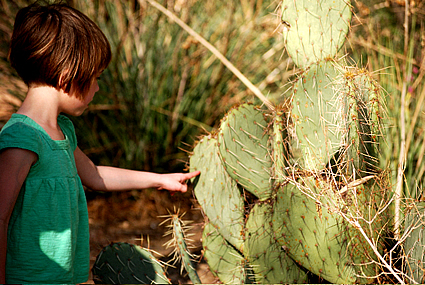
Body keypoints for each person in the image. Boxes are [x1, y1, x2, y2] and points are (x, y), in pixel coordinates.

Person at [0, 2, 200, 283]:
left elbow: (94, 175)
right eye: (94, 77)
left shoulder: (63, 131)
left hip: (65, 277)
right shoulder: (22, 137)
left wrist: (159, 179)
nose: (97, 87)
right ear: (67, 76)